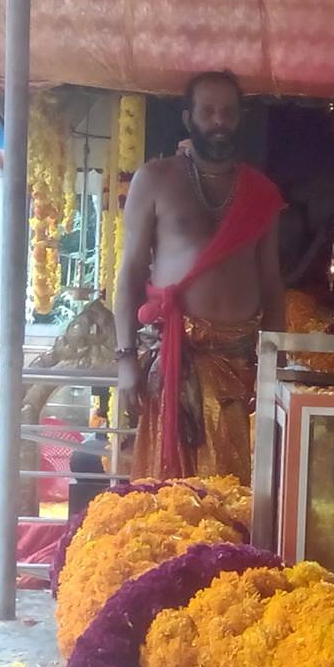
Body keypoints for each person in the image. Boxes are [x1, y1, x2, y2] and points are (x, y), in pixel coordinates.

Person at [113, 70, 286, 480]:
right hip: (174, 361)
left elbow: (273, 285)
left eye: (227, 112)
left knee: (232, 494)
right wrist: (125, 360)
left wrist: (275, 366)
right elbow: (130, 275)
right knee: (168, 499)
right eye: (208, 111)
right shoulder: (155, 179)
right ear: (189, 118)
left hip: (238, 367)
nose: (219, 121)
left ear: (240, 118)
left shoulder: (262, 193)